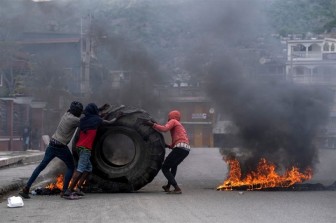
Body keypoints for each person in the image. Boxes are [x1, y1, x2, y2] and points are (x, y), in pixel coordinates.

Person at [19, 101, 83, 199]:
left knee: (41, 167)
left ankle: (26, 188)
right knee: (71, 166)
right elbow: (86, 121)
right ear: (78, 112)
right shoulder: (75, 120)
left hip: (52, 144)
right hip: (61, 147)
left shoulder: (67, 114)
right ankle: (65, 191)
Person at [63, 103, 121, 198]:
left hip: (79, 147)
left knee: (89, 169)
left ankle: (78, 188)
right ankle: (69, 191)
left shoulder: (83, 120)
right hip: (85, 149)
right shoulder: (96, 120)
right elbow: (110, 123)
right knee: (80, 169)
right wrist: (117, 117)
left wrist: (101, 110)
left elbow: (89, 113)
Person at [146, 110, 191, 194]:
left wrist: (152, 125)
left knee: (165, 167)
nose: (168, 119)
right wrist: (168, 146)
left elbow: (164, 129)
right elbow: (179, 138)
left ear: (171, 116)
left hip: (180, 147)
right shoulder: (179, 124)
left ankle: (177, 188)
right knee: (174, 166)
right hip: (186, 148)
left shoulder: (173, 121)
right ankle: (168, 186)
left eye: (168, 117)